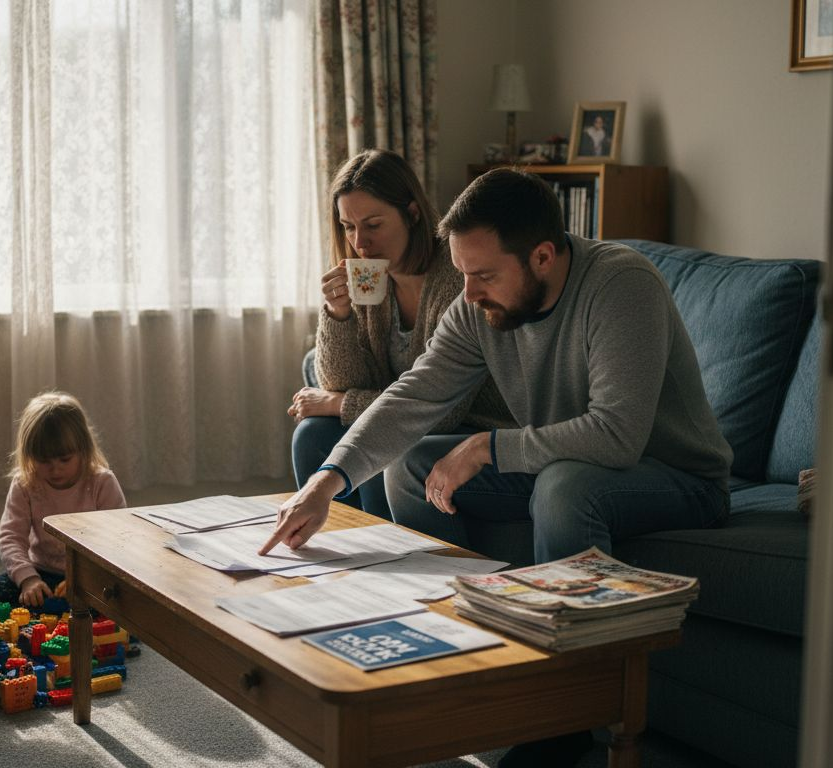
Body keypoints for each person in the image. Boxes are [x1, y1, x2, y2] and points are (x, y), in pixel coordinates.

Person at [263, 169, 731, 767]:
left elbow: (616, 436)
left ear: (542, 257)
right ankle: (453, 666)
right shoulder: (477, 302)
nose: (469, 292)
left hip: (675, 477)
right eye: (462, 273)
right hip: (568, 461)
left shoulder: (621, 284)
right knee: (412, 464)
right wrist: (325, 483)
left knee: (564, 485)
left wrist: (487, 447)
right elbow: (413, 397)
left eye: (484, 275)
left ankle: (563, 722)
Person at [288, 149, 512, 519]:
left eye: (373, 225)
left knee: (386, 450)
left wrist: (338, 404)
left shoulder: (457, 276)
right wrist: (338, 313)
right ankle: (334, 548)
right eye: (348, 226)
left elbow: (442, 410)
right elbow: (340, 381)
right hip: (402, 414)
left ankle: (383, 550)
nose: (360, 242)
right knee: (312, 434)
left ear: (412, 214)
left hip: (465, 423)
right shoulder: (369, 276)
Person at [0, 391, 127, 608]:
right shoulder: (25, 484)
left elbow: (118, 541)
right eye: (44, 461)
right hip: (40, 572)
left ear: (84, 449)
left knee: (125, 604)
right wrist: (28, 579)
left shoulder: (102, 482)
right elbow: (10, 537)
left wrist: (84, 579)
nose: (55, 469)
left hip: (92, 576)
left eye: (64, 459)